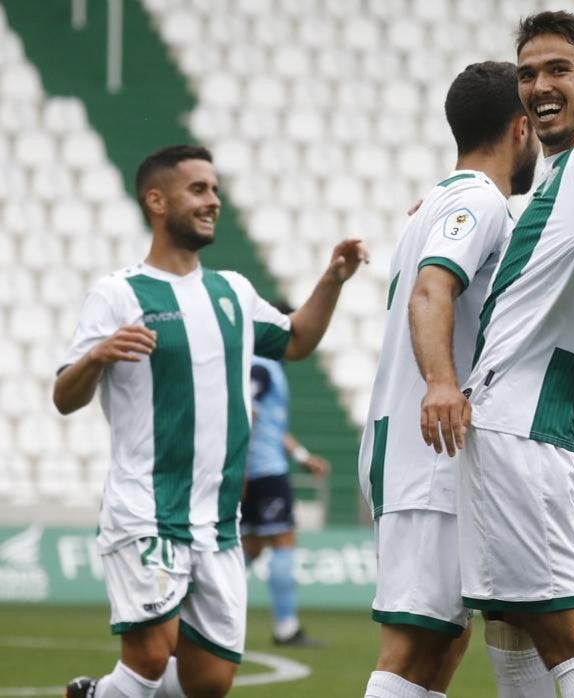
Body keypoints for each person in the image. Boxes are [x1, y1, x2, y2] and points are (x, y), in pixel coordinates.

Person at [55, 144, 367, 698]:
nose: (213, 200)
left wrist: (333, 281)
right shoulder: (117, 294)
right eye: (198, 189)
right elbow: (64, 395)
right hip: (148, 510)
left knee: (208, 681)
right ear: (157, 200)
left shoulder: (232, 292)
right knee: (150, 654)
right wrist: (97, 356)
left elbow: (296, 340)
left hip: (219, 522)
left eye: (216, 190)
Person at [422, 11, 574, 698]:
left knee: (562, 627)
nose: (539, 85)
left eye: (558, 70)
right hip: (542, 425)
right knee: (513, 622)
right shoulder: (550, 187)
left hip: (523, 425)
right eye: (527, 73)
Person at [358, 61, 541, 698]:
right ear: (522, 129)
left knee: (443, 645)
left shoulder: (441, 201)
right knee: (414, 647)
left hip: (428, 451)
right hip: (426, 452)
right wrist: (442, 381)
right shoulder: (478, 202)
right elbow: (434, 287)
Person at [241, 344, 330, 648]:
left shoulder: (254, 364)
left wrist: (302, 455)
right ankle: (286, 629)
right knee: (283, 542)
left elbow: (269, 424)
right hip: (264, 470)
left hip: (252, 468)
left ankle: (199, 616)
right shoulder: (263, 366)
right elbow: (249, 414)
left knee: (249, 547)